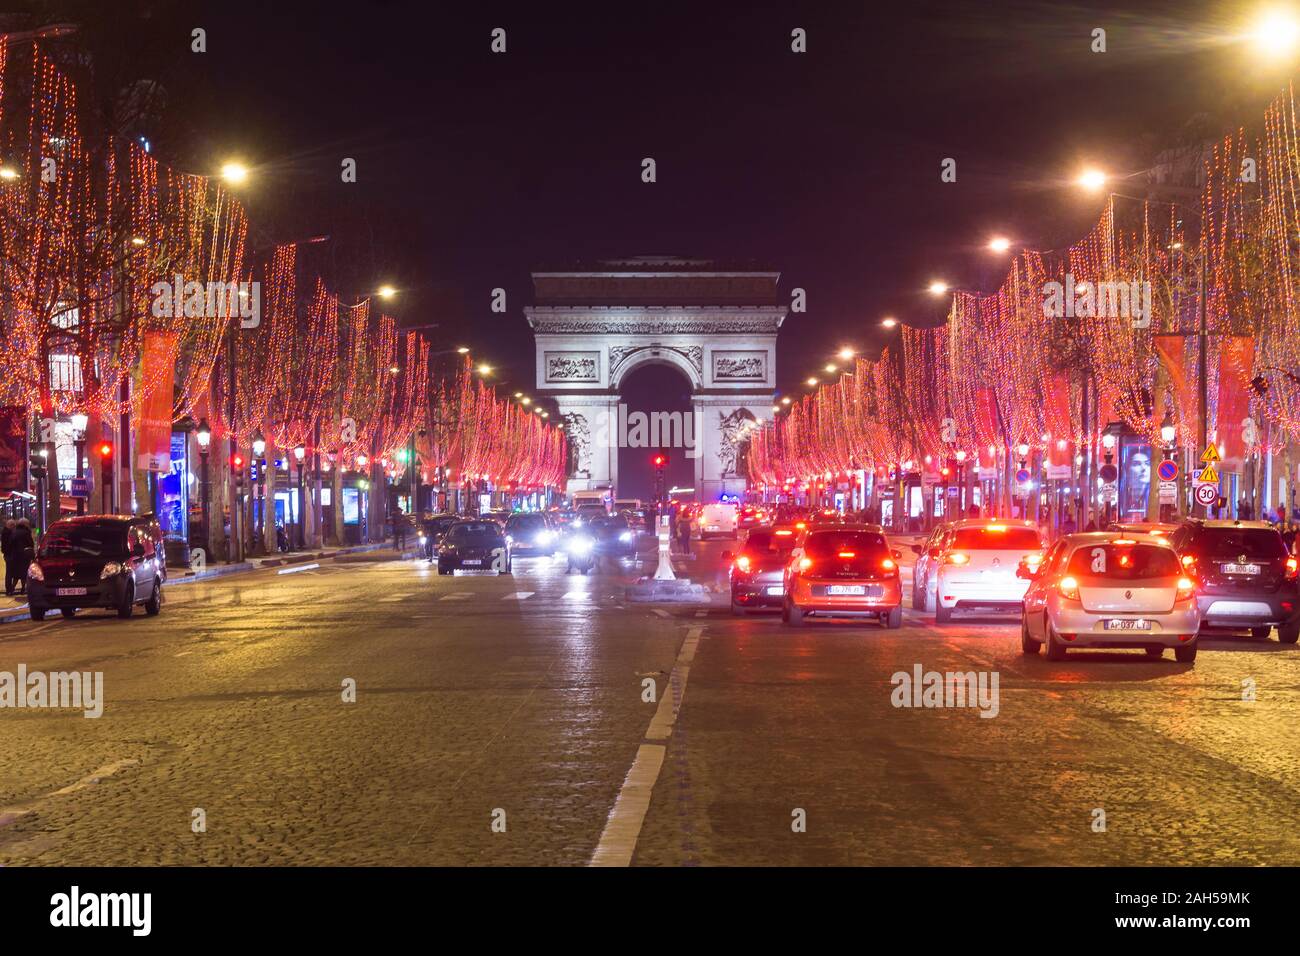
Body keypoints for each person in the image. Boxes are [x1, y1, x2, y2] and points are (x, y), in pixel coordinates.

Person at [10, 518, 35, 595]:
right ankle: (23, 589)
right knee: (24, 573)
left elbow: (11, 543)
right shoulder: (26, 532)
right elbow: (30, 543)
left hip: (15, 555)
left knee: (16, 574)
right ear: (25, 524)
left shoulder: (14, 531)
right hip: (24, 555)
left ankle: (12, 588)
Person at [1, 518, 16, 596]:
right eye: (13, 526)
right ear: (11, 525)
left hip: (7, 554)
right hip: (9, 554)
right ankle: (9, 589)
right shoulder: (8, 533)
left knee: (9, 572)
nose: (14, 528)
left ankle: (9, 588)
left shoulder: (5, 532)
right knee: (10, 572)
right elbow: (10, 544)